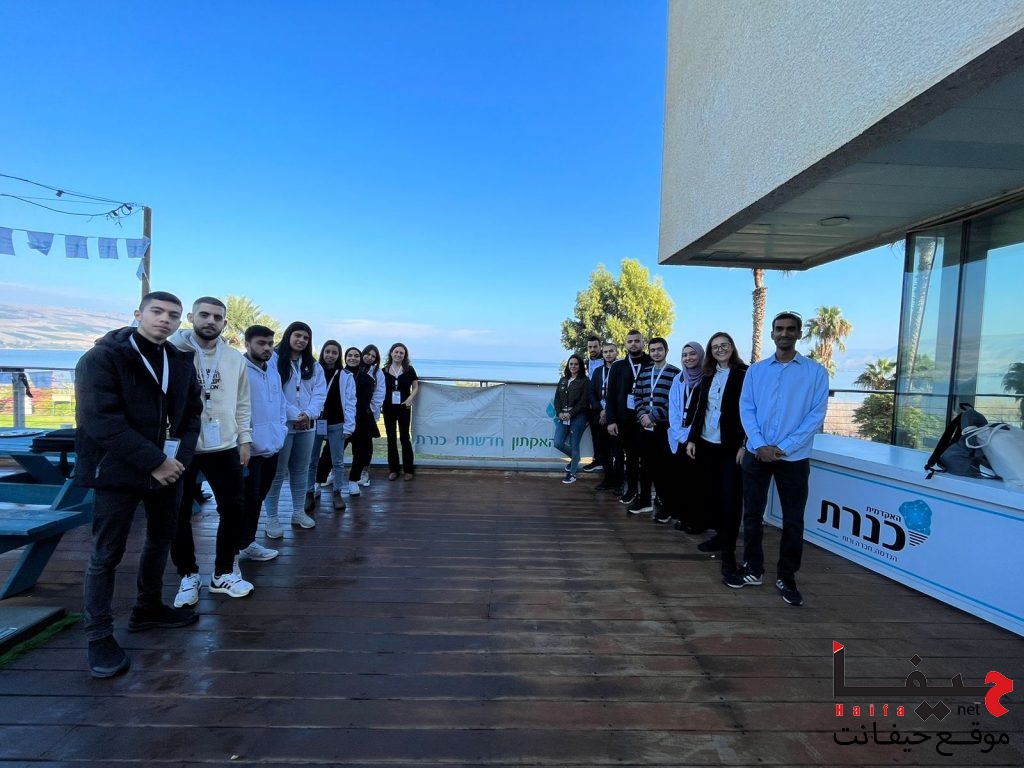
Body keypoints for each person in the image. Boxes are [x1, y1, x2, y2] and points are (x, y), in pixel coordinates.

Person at [74, 291, 203, 679]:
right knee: (107, 553)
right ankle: (99, 635)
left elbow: (192, 414)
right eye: (157, 311)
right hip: (117, 471)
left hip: (168, 469)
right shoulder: (102, 358)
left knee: (161, 539)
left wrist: (178, 461)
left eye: (173, 315)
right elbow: (100, 420)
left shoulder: (179, 362)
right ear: (138, 314)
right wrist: (155, 461)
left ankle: (147, 607)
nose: (165, 319)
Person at [728, 311, 829, 606]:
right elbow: (746, 409)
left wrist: (782, 448)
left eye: (790, 329)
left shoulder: (815, 373)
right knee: (752, 514)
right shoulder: (756, 371)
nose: (784, 333)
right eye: (779, 329)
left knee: (793, 520)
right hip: (756, 454)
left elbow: (815, 416)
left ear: (799, 334)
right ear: (772, 333)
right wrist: (760, 445)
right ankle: (753, 569)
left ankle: (787, 576)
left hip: (794, 459)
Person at [169, 297, 255, 608]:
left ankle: (223, 572)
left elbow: (243, 401)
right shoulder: (172, 350)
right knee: (178, 512)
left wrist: (245, 439)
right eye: (204, 315)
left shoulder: (233, 358)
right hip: (181, 445)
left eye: (217, 317)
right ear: (191, 317)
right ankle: (187, 574)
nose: (210, 321)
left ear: (225, 323)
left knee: (233, 508)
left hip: (224, 444)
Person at [685, 333, 748, 573]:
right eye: (715, 347)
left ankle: (729, 548)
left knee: (731, 496)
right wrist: (692, 439)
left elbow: (751, 412)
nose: (720, 350)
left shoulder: (744, 374)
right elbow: (700, 409)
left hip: (731, 447)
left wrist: (745, 444)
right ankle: (720, 536)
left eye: (724, 345)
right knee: (713, 494)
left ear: (732, 347)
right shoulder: (708, 376)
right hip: (706, 443)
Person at [264, 321, 327, 531]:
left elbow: (319, 393)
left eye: (306, 338)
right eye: (297, 335)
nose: (301, 340)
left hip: (307, 426)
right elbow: (274, 391)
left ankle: (298, 512)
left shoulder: (313, 365)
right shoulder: (273, 360)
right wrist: (294, 414)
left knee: (301, 470)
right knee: (277, 473)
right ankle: (272, 518)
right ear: (288, 335)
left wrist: (308, 414)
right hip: (282, 425)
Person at [239, 324, 287, 556]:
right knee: (244, 501)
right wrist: (245, 441)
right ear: (247, 343)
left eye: (270, 343)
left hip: (272, 448)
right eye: (261, 343)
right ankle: (235, 550)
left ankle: (247, 543)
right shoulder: (239, 370)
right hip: (249, 451)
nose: (267, 348)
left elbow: (280, 405)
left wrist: (281, 433)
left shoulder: (273, 372)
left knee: (257, 499)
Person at [630, 337, 680, 517]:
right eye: (653, 350)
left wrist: (653, 416)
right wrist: (643, 415)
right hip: (644, 426)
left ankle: (666, 505)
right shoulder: (644, 373)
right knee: (645, 465)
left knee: (663, 467)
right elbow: (637, 396)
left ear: (666, 350)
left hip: (663, 427)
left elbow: (675, 402)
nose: (656, 353)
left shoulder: (675, 373)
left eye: (659, 349)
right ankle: (644, 500)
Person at [306, 340, 356, 512]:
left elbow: (350, 402)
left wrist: (349, 426)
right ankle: (309, 492)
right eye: (327, 351)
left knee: (338, 461)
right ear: (322, 352)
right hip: (315, 422)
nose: (330, 355)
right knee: (312, 460)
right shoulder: (313, 372)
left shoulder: (346, 376)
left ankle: (337, 493)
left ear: (339, 355)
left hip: (337, 423)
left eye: (334, 352)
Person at [605, 330, 652, 504]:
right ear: (625, 344)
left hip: (646, 419)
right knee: (630, 458)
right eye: (630, 341)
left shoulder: (651, 362)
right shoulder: (618, 366)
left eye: (637, 341)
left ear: (643, 343)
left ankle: (647, 495)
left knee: (647, 460)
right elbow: (610, 396)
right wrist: (611, 420)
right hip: (625, 420)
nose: (633, 344)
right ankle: (631, 490)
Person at [667, 341, 706, 529]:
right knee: (682, 480)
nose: (688, 358)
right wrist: (680, 435)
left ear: (701, 355)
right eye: (684, 355)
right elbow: (673, 409)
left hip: (699, 438)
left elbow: (704, 412)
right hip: (679, 437)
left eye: (692, 354)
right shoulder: (679, 379)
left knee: (698, 482)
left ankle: (697, 521)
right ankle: (684, 517)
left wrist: (690, 435)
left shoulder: (708, 378)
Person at [343, 346, 378, 496]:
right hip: (341, 419)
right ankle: (325, 478)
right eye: (350, 355)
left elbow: (366, 401)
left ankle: (354, 480)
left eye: (356, 355)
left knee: (360, 452)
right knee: (333, 451)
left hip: (361, 419)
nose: (353, 358)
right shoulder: (339, 375)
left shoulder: (369, 379)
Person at [382, 342, 419, 480]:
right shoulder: (384, 371)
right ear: (391, 353)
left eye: (401, 353)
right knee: (391, 438)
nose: (398, 355)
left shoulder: (409, 370)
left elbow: (415, 387)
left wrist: (410, 399)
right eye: (396, 352)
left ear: (405, 356)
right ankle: (393, 469)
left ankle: (408, 470)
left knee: (404, 437)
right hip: (388, 408)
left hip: (404, 407)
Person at [553, 353, 591, 484]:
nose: (573, 366)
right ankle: (576, 458)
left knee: (575, 444)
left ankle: (572, 474)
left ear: (580, 366)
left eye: (576, 364)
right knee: (558, 442)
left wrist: (571, 413)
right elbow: (557, 398)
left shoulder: (585, 381)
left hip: (578, 417)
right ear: (568, 365)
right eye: (571, 364)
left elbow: (584, 401)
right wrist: (559, 413)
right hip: (563, 416)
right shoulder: (563, 380)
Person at [591, 342, 620, 491]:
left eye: (611, 351)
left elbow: (622, 394)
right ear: (602, 354)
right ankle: (608, 479)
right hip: (600, 416)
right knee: (603, 450)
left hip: (616, 417)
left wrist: (608, 411)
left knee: (618, 452)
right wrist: (600, 410)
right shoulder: (597, 371)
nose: (608, 354)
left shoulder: (621, 369)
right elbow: (591, 393)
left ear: (617, 352)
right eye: (606, 352)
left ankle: (619, 483)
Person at [359, 344, 385, 486]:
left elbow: (380, 393)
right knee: (344, 441)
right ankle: (333, 470)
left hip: (368, 413)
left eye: (373, 356)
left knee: (366, 443)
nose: (369, 357)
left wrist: (369, 408)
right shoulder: (354, 368)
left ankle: (364, 471)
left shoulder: (377, 373)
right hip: (351, 413)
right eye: (368, 354)